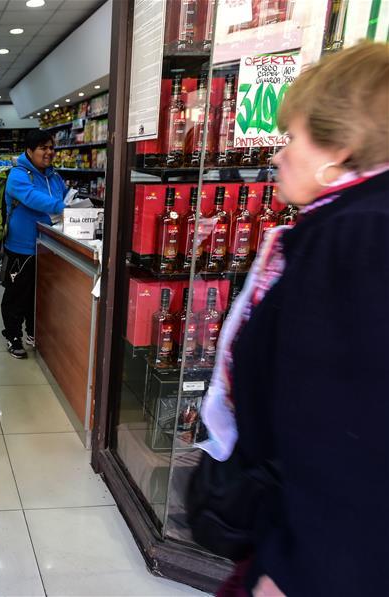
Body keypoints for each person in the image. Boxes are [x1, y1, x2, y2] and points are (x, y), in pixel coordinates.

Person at [198, 42, 389, 597]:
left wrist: (295, 570)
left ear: (342, 144)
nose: (279, 155)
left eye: (294, 137)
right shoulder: (345, 224)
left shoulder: (359, 236)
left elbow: (352, 434)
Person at [0, 129, 66, 359]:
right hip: (21, 247)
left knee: (38, 294)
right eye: (43, 148)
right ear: (29, 150)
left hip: (48, 247)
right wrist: (62, 207)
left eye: (51, 148)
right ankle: (12, 335)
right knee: (16, 295)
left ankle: (32, 331)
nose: (49, 152)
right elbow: (32, 198)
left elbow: (64, 197)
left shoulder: (54, 177)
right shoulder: (19, 175)